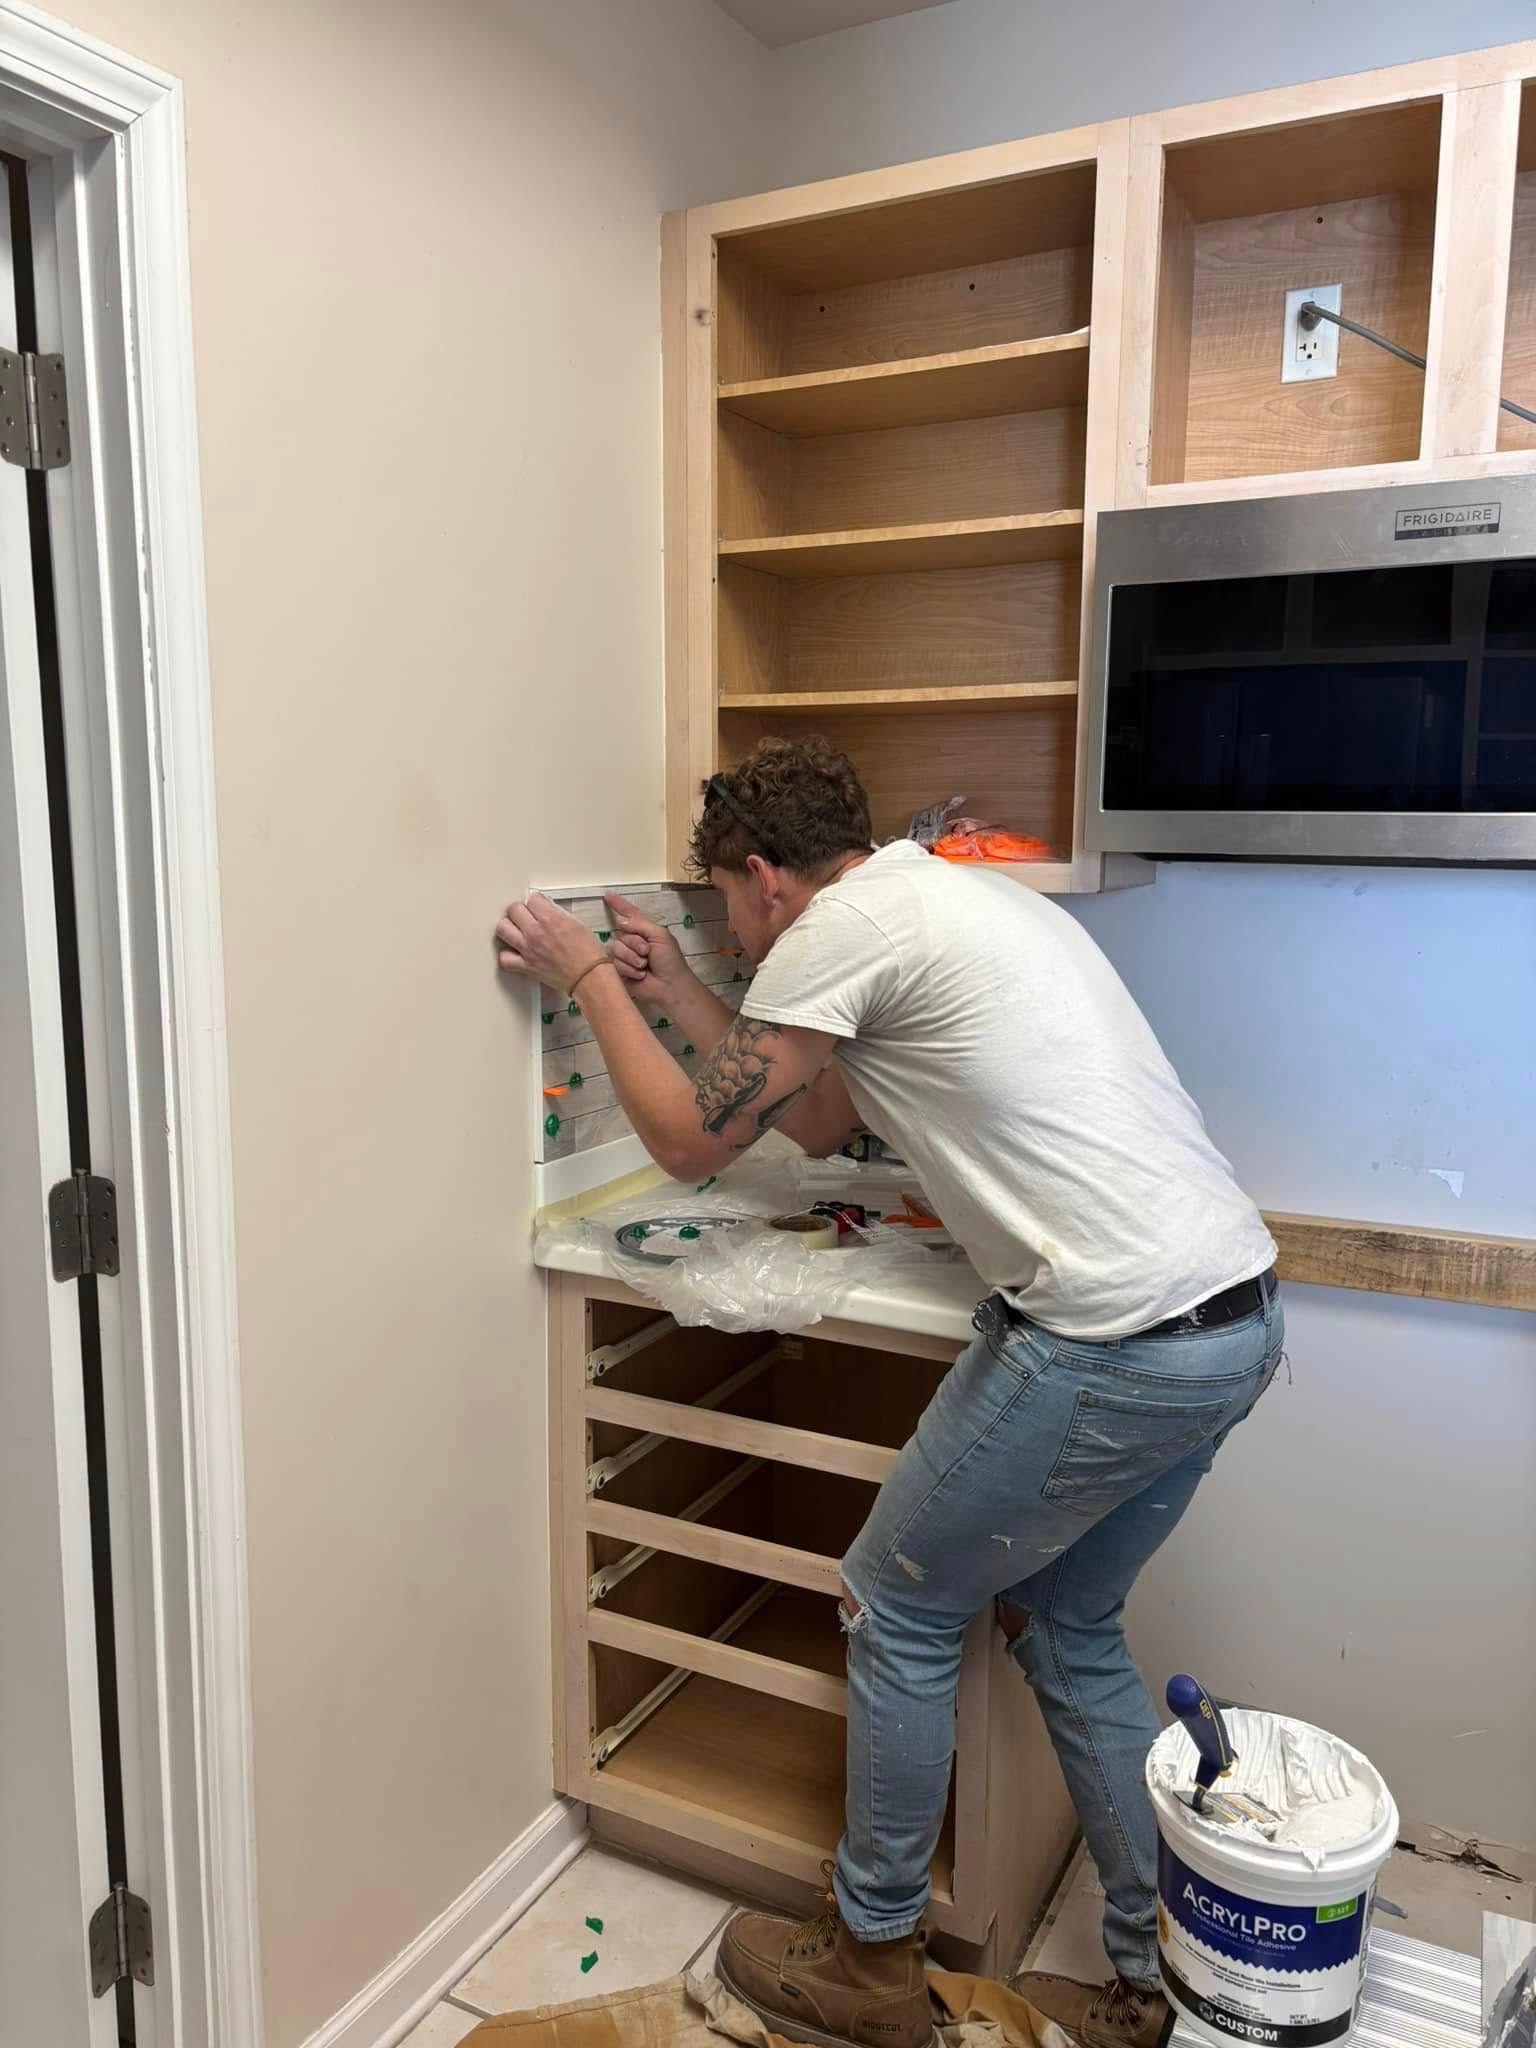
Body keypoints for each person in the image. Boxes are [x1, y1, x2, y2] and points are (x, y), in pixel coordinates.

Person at [495, 737, 1283, 2048]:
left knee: (897, 1600)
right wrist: (684, 987)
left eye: (732, 917)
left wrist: (586, 977)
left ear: (766, 880)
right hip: (1233, 1317)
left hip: (1113, 1336)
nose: (744, 942)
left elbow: (693, 1145)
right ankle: (1156, 1983)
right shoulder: (947, 898)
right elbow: (809, 1122)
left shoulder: (841, 927)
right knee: (1064, 1619)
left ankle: (868, 1959)